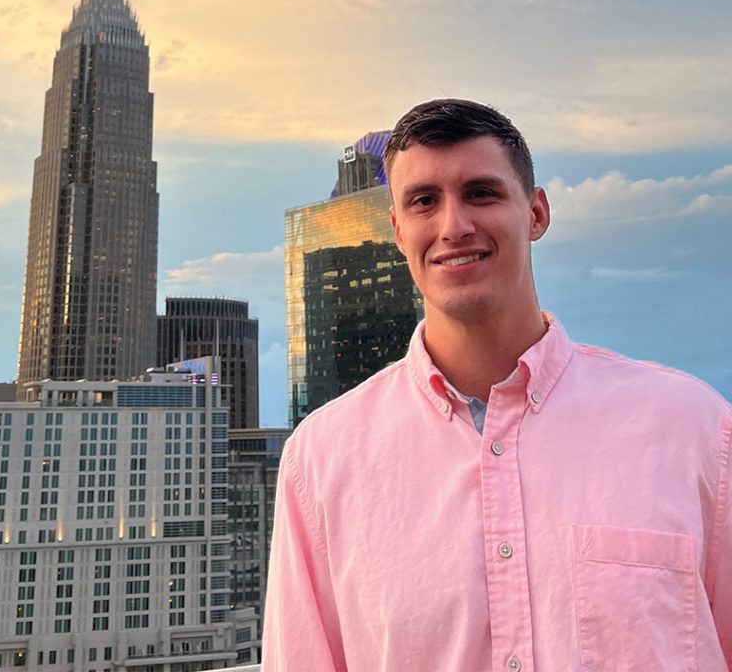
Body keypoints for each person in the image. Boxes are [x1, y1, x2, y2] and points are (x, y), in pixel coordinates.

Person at [262, 98, 731, 671]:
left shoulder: (695, 430)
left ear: (536, 214)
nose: (454, 226)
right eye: (424, 201)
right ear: (397, 229)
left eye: (481, 193)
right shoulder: (321, 457)